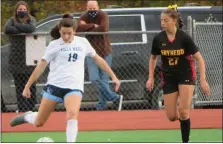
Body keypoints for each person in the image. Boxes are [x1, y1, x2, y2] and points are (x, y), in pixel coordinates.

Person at [9, 13, 120, 143]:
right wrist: (27, 85)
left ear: (74, 31)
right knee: (39, 122)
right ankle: (28, 116)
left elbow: (98, 59)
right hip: (54, 86)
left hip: (74, 87)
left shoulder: (83, 43)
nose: (66, 36)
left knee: (72, 115)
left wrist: (114, 76)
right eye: (63, 33)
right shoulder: (54, 45)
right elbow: (41, 66)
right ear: (60, 31)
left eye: (69, 33)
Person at [146, 5, 210, 143]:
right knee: (171, 116)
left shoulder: (184, 37)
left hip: (185, 75)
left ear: (174, 21)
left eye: (166, 20)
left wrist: (203, 79)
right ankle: (183, 120)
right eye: (162, 20)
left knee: (183, 110)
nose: (163, 23)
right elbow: (152, 58)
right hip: (169, 77)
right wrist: (150, 78)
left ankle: (185, 141)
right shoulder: (158, 39)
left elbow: (199, 59)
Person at [76, 0, 123, 111]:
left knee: (104, 80)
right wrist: (93, 25)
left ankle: (101, 105)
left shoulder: (103, 15)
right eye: (90, 8)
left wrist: (87, 26)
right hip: (91, 52)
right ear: (87, 8)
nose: (92, 10)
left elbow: (103, 29)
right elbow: (78, 29)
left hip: (105, 51)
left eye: (94, 8)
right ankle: (115, 97)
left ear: (98, 7)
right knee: (94, 78)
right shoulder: (84, 16)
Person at [4, 1, 37, 112]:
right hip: (16, 57)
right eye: (20, 9)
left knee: (31, 85)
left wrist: (17, 27)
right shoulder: (11, 20)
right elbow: (7, 29)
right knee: (19, 85)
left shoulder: (31, 19)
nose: (22, 11)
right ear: (16, 10)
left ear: (27, 10)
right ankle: (22, 109)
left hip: (30, 56)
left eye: (24, 9)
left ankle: (31, 108)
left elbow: (31, 29)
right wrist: (22, 28)